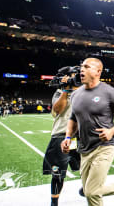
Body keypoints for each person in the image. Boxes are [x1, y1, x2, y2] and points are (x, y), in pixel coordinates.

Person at [60, 58, 114, 206]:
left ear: (98, 72)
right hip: (84, 148)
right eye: (81, 67)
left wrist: (113, 131)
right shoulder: (75, 95)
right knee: (90, 193)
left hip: (105, 146)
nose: (82, 70)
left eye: (87, 67)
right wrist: (68, 137)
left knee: (91, 191)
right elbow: (73, 119)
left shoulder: (109, 92)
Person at [43, 75, 81, 206]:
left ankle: (90, 187)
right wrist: (65, 90)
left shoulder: (85, 92)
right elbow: (57, 110)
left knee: (87, 168)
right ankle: (54, 201)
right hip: (61, 135)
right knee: (58, 173)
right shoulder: (59, 92)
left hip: (81, 136)